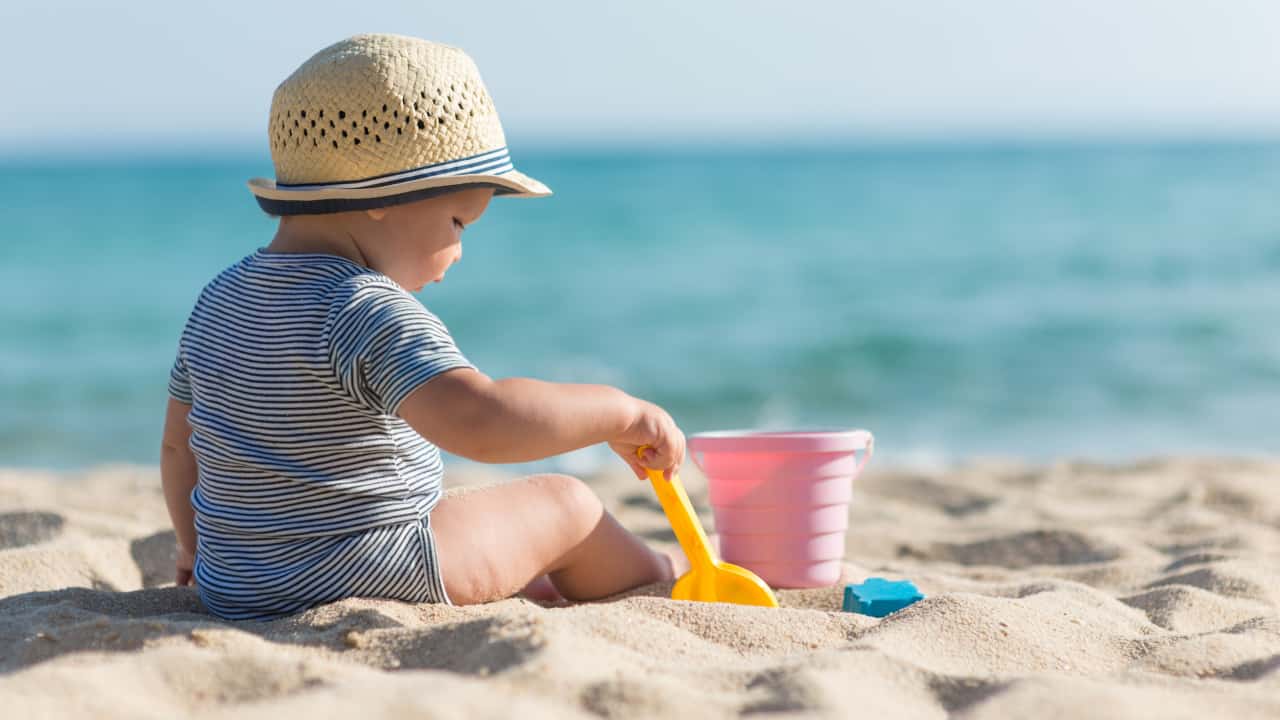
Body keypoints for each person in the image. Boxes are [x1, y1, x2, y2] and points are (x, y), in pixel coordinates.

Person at [160, 33, 685, 621]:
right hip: (370, 568)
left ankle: (530, 576)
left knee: (475, 517)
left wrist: (192, 546)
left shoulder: (218, 298)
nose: (459, 250)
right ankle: (659, 573)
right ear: (383, 196)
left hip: (236, 583)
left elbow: (181, 444)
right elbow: (482, 421)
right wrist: (619, 412)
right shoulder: (361, 306)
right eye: (459, 221)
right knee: (567, 504)